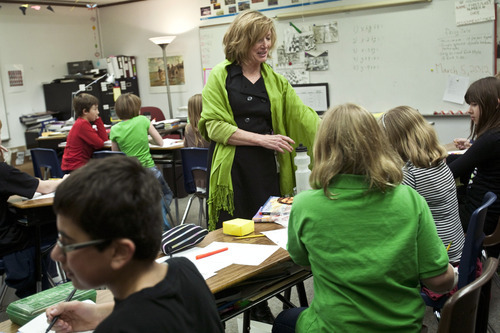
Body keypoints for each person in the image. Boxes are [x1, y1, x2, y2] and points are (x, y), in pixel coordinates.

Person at [273, 103, 457, 333]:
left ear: (322, 147)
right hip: (400, 328)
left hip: (334, 327)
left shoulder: (304, 204)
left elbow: (301, 260)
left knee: (285, 319)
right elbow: (439, 282)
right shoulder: (409, 199)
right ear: (378, 143)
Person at [45, 156, 223, 333]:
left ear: (119, 252)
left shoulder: (117, 329)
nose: (55, 254)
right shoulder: (183, 270)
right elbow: (150, 309)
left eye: (67, 243)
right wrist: (98, 314)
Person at [199, 10, 320, 232]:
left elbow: (302, 117)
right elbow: (214, 126)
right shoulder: (220, 76)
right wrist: (263, 140)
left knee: (266, 225)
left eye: (268, 38)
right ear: (242, 41)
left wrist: (341, 127)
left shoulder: (275, 81)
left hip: (265, 165)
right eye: (258, 39)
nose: (265, 44)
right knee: (233, 227)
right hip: (232, 167)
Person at [380, 106, 465, 264]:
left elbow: (394, 219)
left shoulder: (410, 174)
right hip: (455, 247)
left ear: (393, 141)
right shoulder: (437, 161)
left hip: (440, 258)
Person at [0, 119, 64, 295]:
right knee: (53, 224)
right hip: (11, 244)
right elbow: (44, 187)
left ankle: (50, 277)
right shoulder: (2, 171)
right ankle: (49, 287)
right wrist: (65, 180)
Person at [109, 93, 173, 230]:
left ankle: (148, 218)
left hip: (129, 174)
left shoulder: (114, 129)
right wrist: (147, 139)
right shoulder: (143, 120)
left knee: (140, 200)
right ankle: (160, 222)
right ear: (136, 109)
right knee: (166, 194)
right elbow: (160, 142)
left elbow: (116, 155)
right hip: (149, 170)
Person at [448, 77, 500, 241]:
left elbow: (450, 173)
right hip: (487, 210)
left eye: (474, 104)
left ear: (496, 103)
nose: (469, 110)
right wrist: (473, 146)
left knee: (429, 212)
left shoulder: (491, 138)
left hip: (481, 217)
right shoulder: (494, 136)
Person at [61, 93, 108, 173]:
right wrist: (98, 120)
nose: (98, 112)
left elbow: (104, 139)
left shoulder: (82, 123)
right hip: (75, 167)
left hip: (75, 166)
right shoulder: (82, 125)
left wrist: (97, 120)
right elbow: (99, 144)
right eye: (95, 109)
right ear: (85, 111)